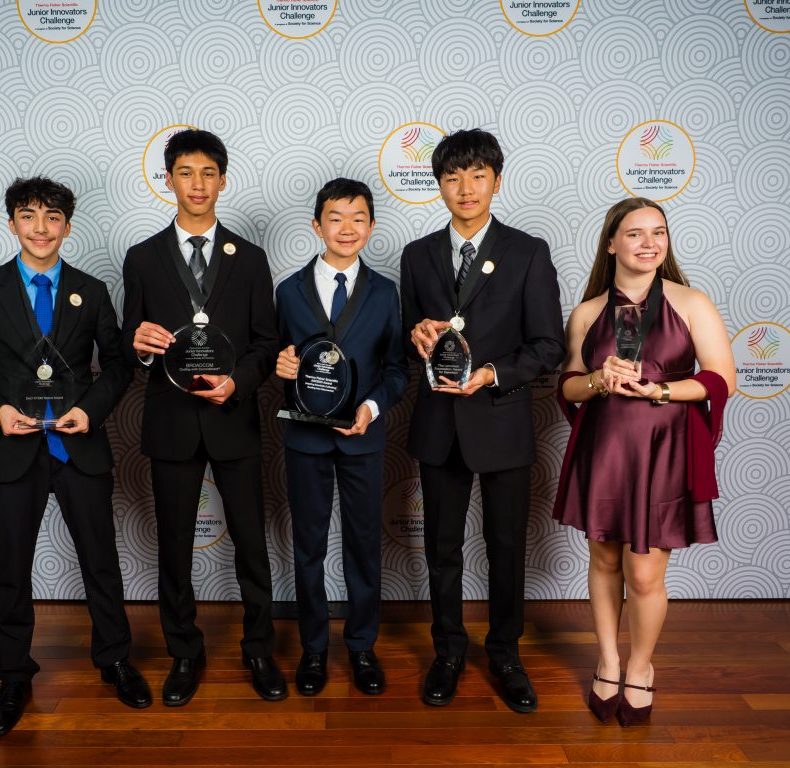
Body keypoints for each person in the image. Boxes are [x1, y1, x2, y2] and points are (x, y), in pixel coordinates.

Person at [0, 177, 150, 737]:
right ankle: (13, 676)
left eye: (52, 217)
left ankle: (115, 660)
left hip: (79, 446)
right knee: (10, 570)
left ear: (67, 227)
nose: (40, 227)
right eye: (28, 216)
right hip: (14, 450)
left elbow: (119, 365)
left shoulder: (92, 290)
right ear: (12, 224)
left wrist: (91, 411)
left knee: (100, 562)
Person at [552, 197, 734, 726]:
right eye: (635, 233)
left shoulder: (691, 302)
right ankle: (608, 661)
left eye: (659, 232)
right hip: (606, 447)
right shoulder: (587, 312)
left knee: (645, 572)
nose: (649, 243)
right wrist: (597, 379)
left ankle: (640, 666)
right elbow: (568, 386)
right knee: (605, 560)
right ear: (611, 243)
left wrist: (660, 391)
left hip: (664, 449)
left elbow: (720, 377)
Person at [400, 129, 565, 711]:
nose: (465, 188)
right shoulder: (417, 254)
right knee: (442, 548)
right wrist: (418, 336)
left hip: (501, 421)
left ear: (496, 181)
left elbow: (549, 346)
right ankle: (448, 651)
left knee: (506, 547)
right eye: (452, 177)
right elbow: (408, 343)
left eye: (477, 176)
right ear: (439, 186)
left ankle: (505, 654)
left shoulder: (527, 252)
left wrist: (493, 373)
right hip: (439, 425)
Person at [120, 129, 286, 705]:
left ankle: (259, 649)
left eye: (208, 173)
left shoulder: (251, 258)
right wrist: (140, 346)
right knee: (173, 546)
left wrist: (238, 382)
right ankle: (184, 653)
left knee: (251, 544)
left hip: (232, 418)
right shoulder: (142, 258)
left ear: (222, 179)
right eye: (186, 173)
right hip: (171, 423)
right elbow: (129, 343)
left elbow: (266, 342)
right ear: (168, 180)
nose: (197, 184)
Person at [274, 178, 408, 696]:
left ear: (371, 227)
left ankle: (361, 646)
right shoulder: (288, 291)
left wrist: (371, 408)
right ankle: (313, 649)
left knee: (364, 544)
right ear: (317, 225)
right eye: (335, 217)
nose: (346, 228)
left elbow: (396, 369)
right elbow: (275, 359)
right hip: (305, 438)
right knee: (308, 546)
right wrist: (280, 367)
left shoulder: (385, 292)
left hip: (362, 437)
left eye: (358, 218)